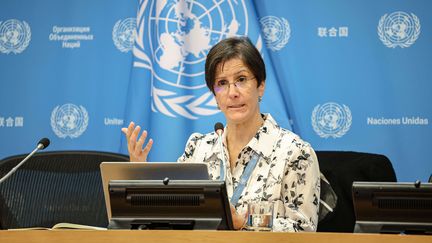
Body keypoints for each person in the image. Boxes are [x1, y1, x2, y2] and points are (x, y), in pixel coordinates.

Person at [122, 36, 321, 232]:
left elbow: (304, 230)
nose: (232, 92)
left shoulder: (296, 153)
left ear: (260, 85)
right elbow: (173, 215)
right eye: (222, 83)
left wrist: (244, 223)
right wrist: (140, 174)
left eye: (241, 80)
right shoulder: (199, 148)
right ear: (215, 95)